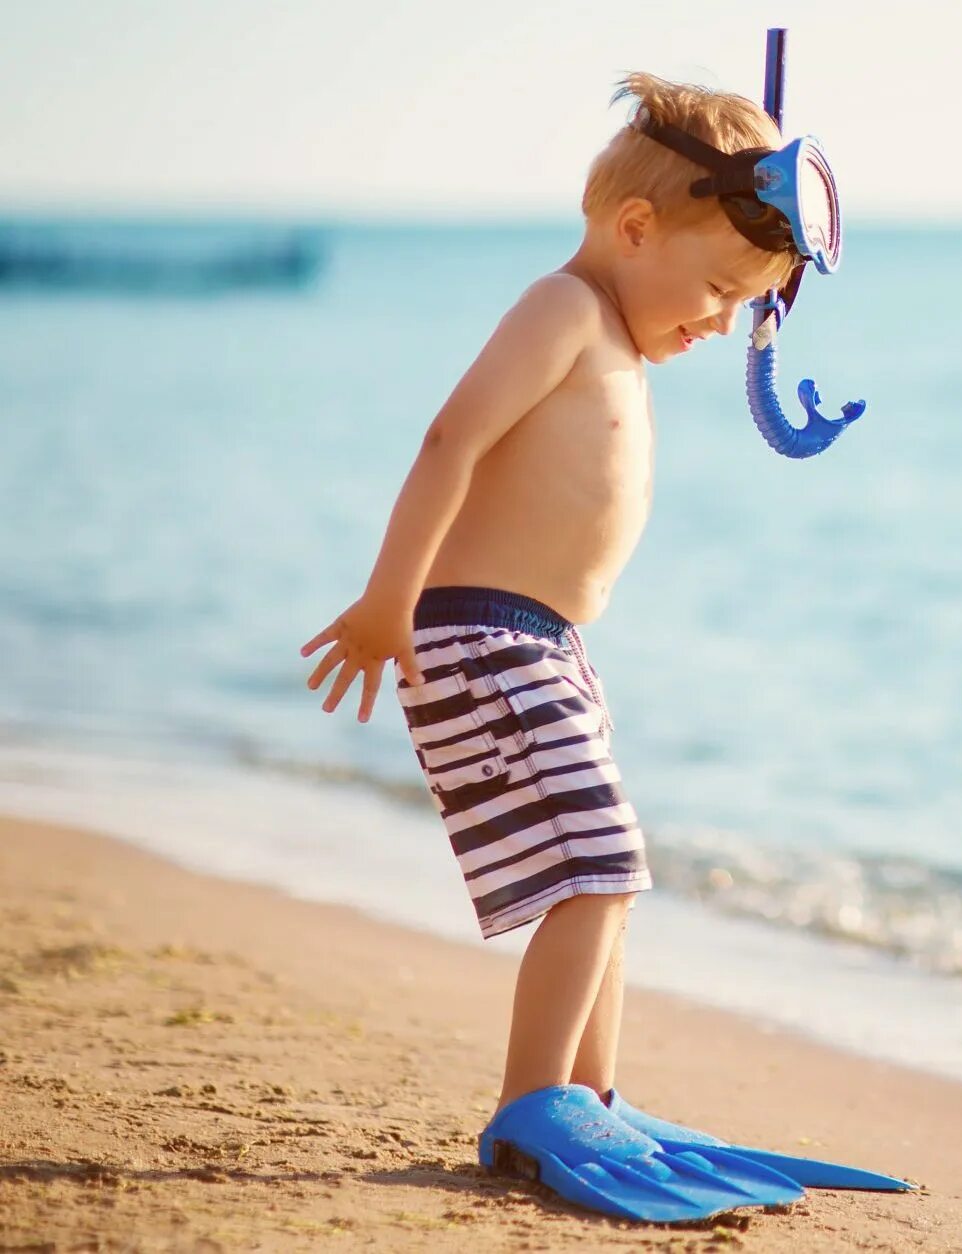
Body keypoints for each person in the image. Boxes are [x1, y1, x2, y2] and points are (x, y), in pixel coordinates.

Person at [297, 72, 902, 1222]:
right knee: (601, 868)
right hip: (482, 635)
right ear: (634, 228)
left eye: (748, 305)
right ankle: (533, 1106)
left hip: (548, 645)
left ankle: (590, 1095)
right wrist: (388, 598)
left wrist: (744, 270)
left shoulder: (620, 329)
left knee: (608, 882)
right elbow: (449, 441)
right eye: (718, 288)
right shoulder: (563, 311)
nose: (724, 321)